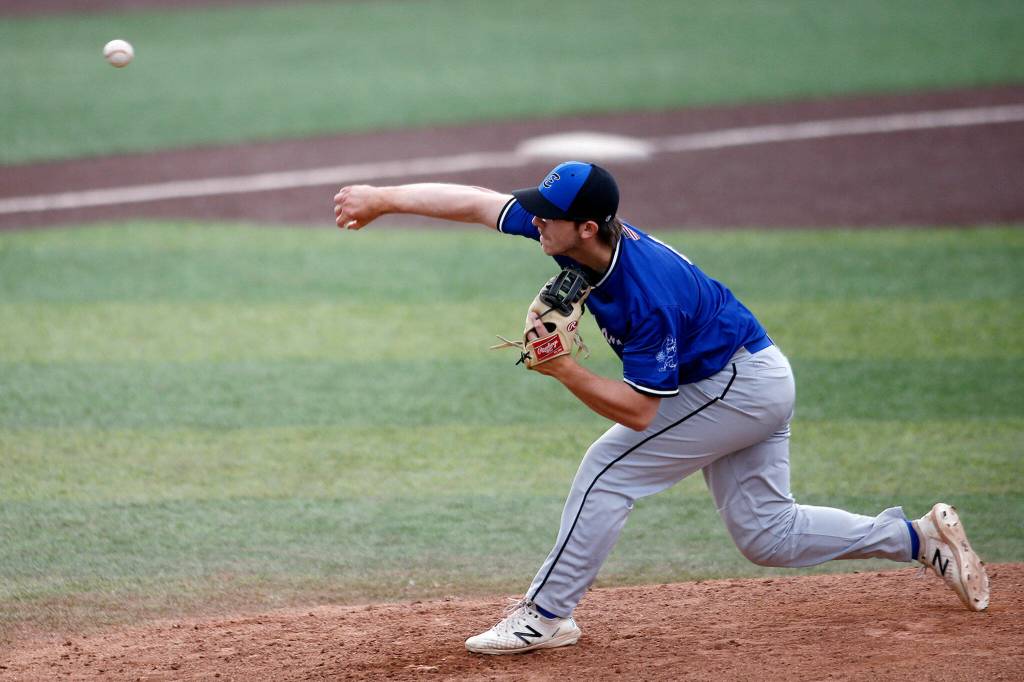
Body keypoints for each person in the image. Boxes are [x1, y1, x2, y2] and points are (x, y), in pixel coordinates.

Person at [332, 161, 990, 655]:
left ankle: (546, 615)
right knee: (766, 534)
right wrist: (383, 199)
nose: (535, 220)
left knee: (607, 472)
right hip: (748, 374)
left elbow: (641, 414)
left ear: (585, 227)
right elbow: (479, 203)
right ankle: (916, 537)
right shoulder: (578, 237)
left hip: (739, 386)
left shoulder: (650, 295)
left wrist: (562, 367)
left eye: (548, 216)